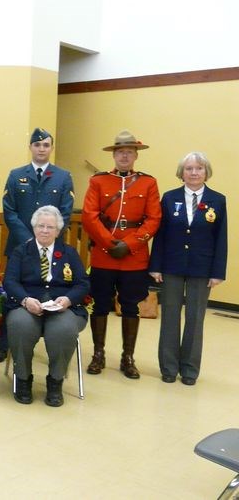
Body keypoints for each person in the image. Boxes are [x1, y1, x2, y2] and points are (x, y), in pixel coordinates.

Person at [82, 130, 161, 379]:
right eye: (120, 152)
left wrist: (129, 244)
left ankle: (128, 357)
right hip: (104, 254)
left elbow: (153, 219)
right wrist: (108, 242)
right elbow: (89, 216)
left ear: (136, 155)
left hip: (133, 256)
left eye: (129, 152)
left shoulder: (148, 182)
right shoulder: (98, 181)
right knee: (101, 305)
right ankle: (98, 353)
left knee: (131, 307)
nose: (124, 156)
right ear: (113, 155)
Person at [0, 127, 75, 363]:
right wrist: (29, 240)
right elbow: (9, 211)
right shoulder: (15, 175)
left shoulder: (63, 177)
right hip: (20, 247)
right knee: (14, 295)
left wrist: (45, 237)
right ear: (30, 147)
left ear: (51, 148)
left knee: (49, 291)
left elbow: (66, 212)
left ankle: (50, 339)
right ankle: (4, 344)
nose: (41, 149)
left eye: (46, 145)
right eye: (37, 145)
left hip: (52, 249)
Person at [149, 152, 227, 386]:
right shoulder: (170, 197)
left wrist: (217, 272)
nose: (194, 173)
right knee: (170, 316)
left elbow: (221, 237)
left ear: (206, 172)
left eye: (199, 169)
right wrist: (156, 266)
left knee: (195, 318)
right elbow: (161, 235)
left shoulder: (218, 200)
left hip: (202, 267)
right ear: (181, 173)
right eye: (189, 169)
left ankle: (190, 370)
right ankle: (169, 367)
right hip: (171, 265)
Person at [3, 206, 90, 407]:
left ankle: (55, 382)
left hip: (62, 307)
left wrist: (67, 300)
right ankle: (23, 380)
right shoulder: (21, 251)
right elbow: (10, 281)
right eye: (41, 226)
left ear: (58, 231)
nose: (44, 230)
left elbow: (82, 283)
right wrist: (25, 300)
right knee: (21, 326)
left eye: (50, 227)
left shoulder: (68, 252)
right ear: (34, 228)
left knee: (64, 329)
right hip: (26, 305)